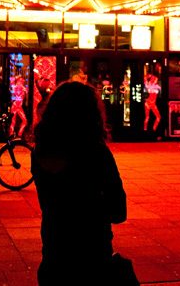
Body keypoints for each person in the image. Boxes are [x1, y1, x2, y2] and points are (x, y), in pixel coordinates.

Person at [32, 81, 127, 285]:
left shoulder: (40, 153)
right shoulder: (96, 153)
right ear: (91, 115)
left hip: (54, 252)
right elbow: (119, 211)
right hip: (92, 255)